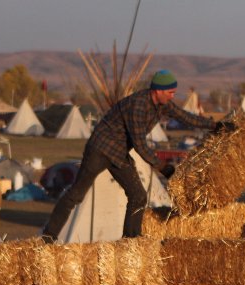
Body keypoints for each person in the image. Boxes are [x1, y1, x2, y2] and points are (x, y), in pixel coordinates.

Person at [41, 70, 229, 242]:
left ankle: (130, 242)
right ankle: (48, 236)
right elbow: (140, 144)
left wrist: (215, 126)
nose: (173, 96)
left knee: (138, 196)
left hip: (119, 152)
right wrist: (163, 167)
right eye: (170, 92)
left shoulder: (162, 105)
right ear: (158, 91)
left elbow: (185, 117)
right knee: (76, 194)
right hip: (100, 149)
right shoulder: (138, 105)